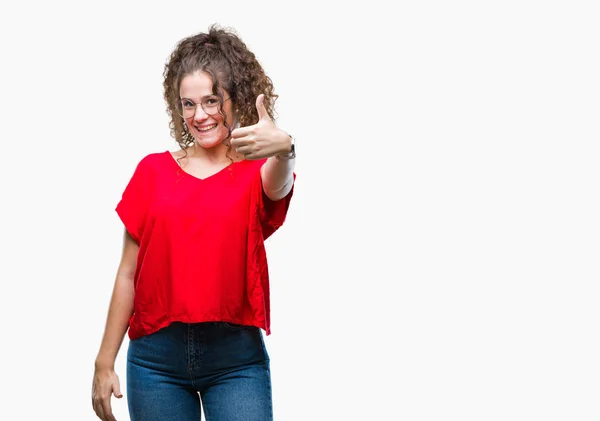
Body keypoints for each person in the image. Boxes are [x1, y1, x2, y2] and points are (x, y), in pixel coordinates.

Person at [92, 24, 296, 421]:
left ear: (235, 98)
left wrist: (286, 149)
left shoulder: (257, 170)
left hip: (236, 361)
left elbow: (278, 184)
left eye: (211, 101)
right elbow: (127, 274)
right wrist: (104, 361)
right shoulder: (152, 171)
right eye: (188, 104)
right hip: (155, 363)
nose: (199, 115)